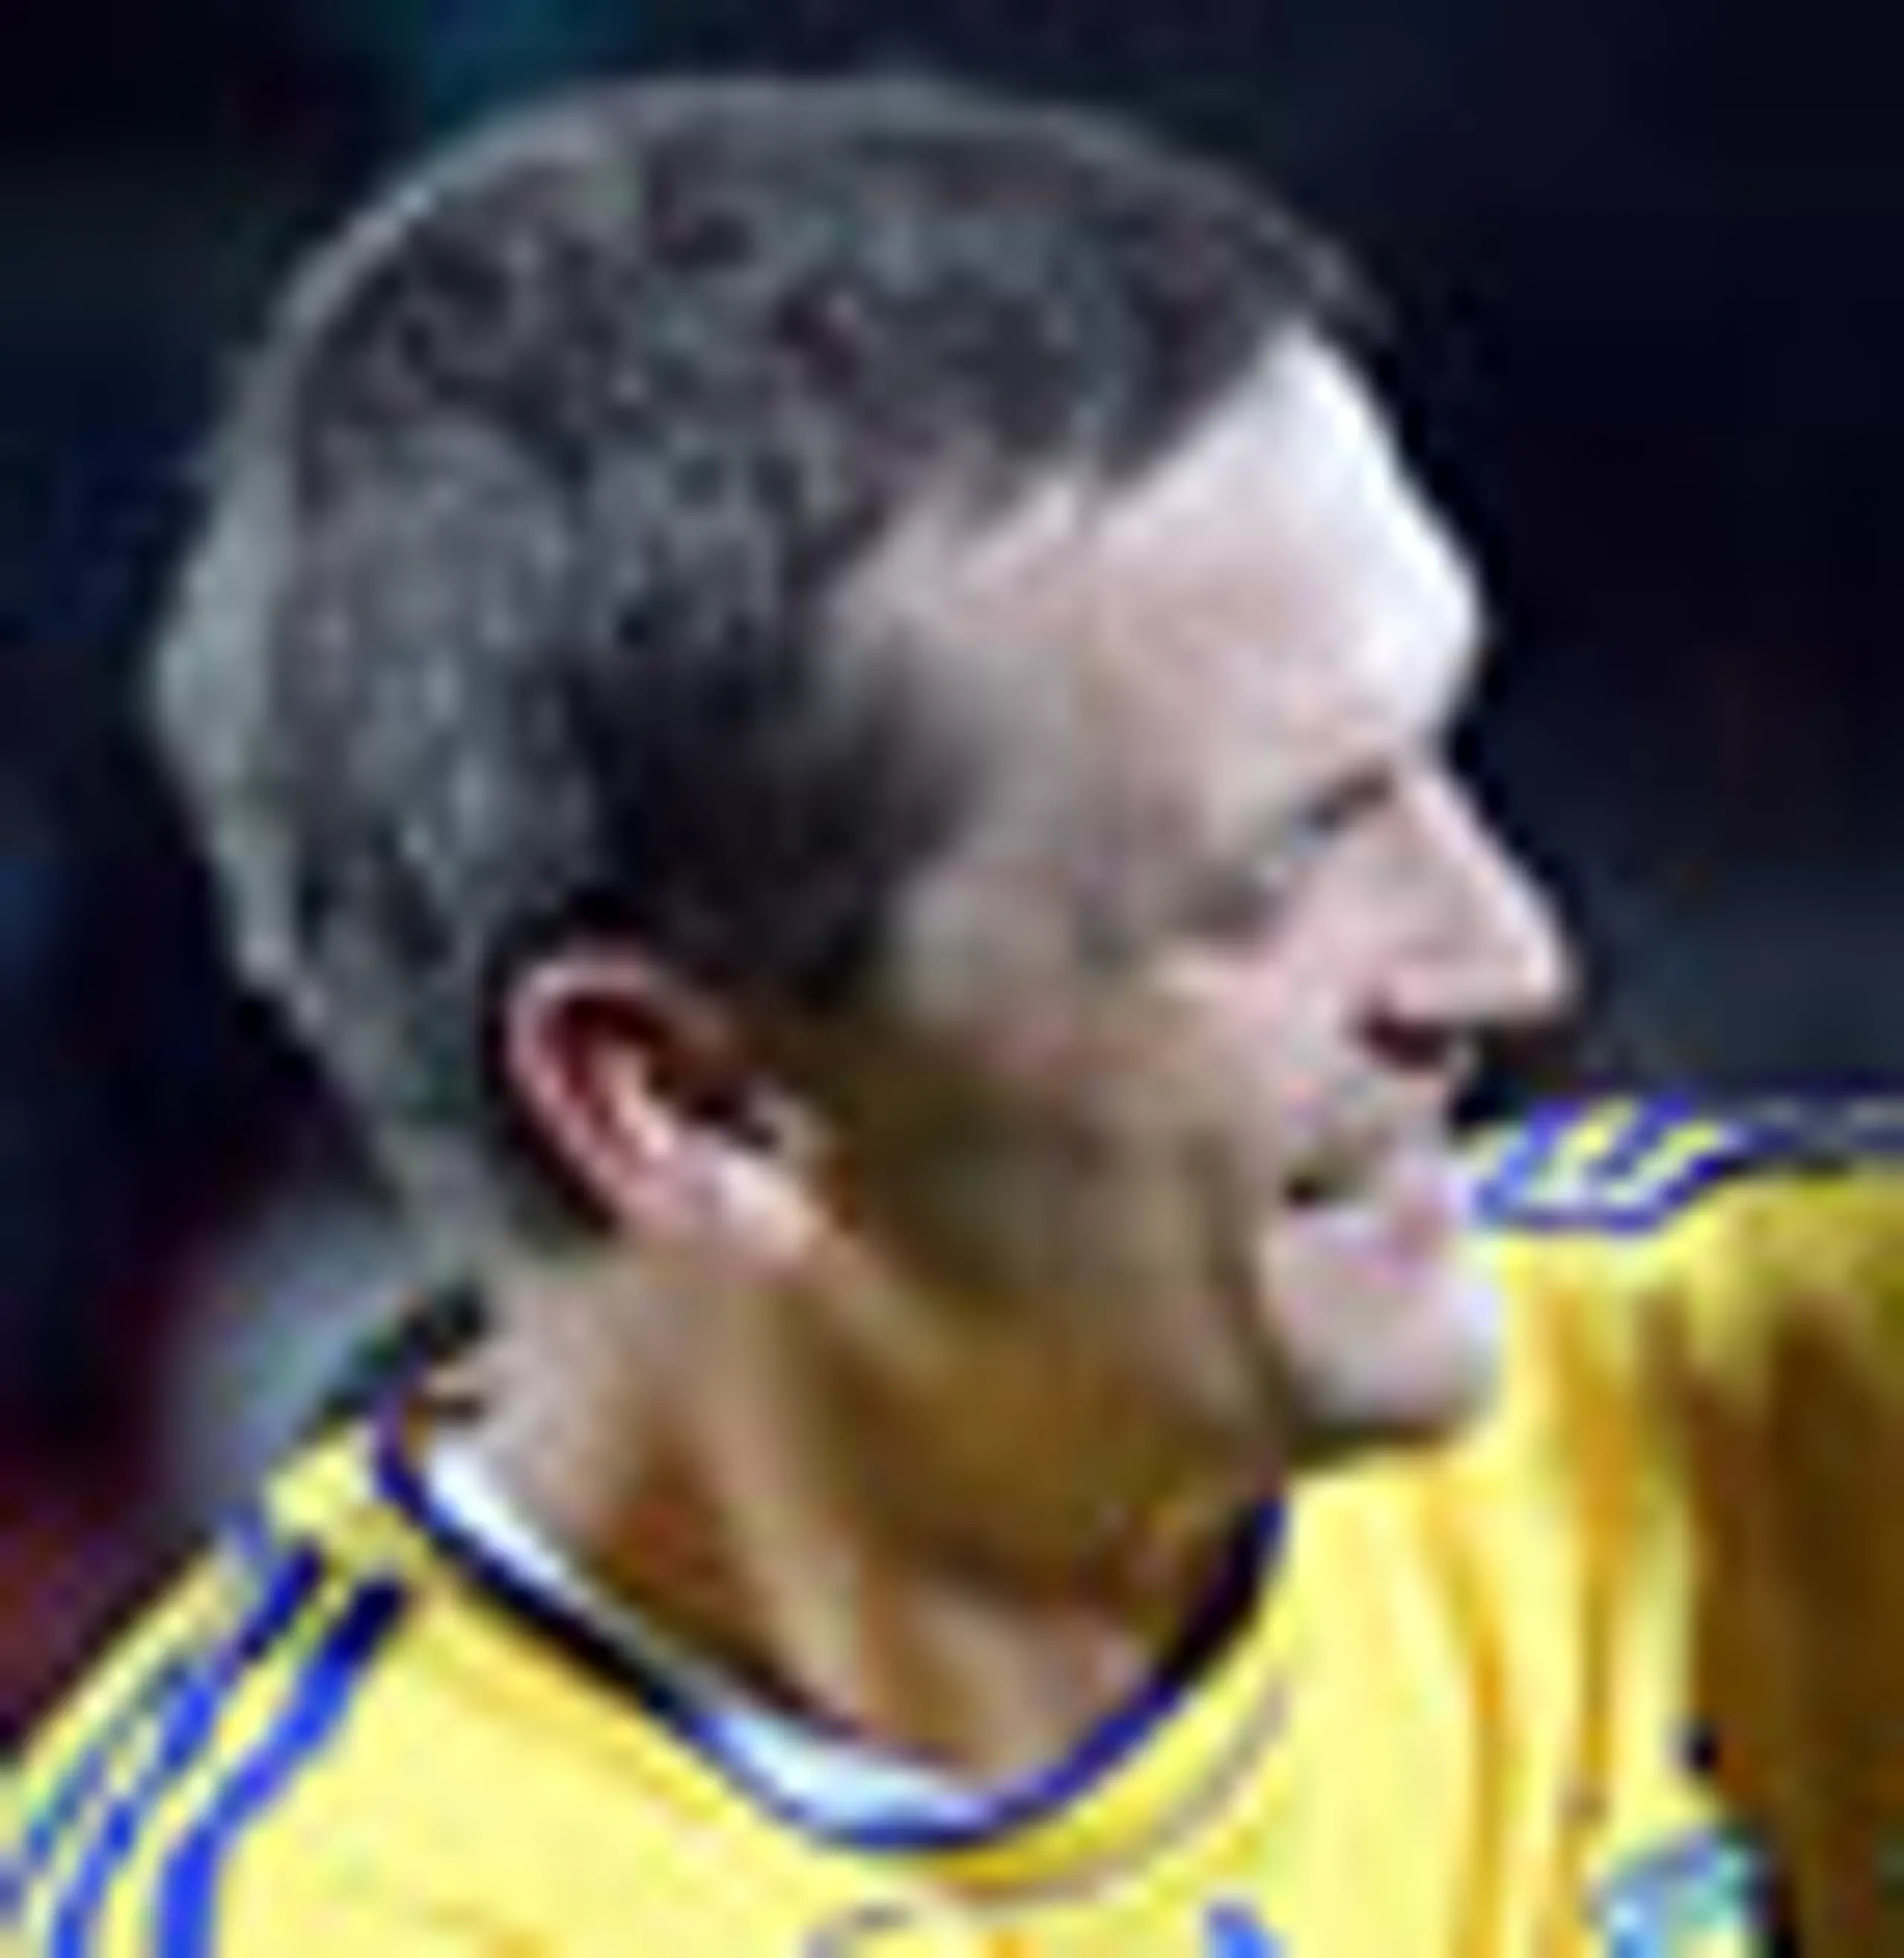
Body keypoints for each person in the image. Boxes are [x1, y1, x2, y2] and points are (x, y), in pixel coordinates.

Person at [10, 77, 1902, 1956]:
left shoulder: (1756, 1393)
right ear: (686, 1098)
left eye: (1436, 748)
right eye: (1275, 862)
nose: (1506, 956)